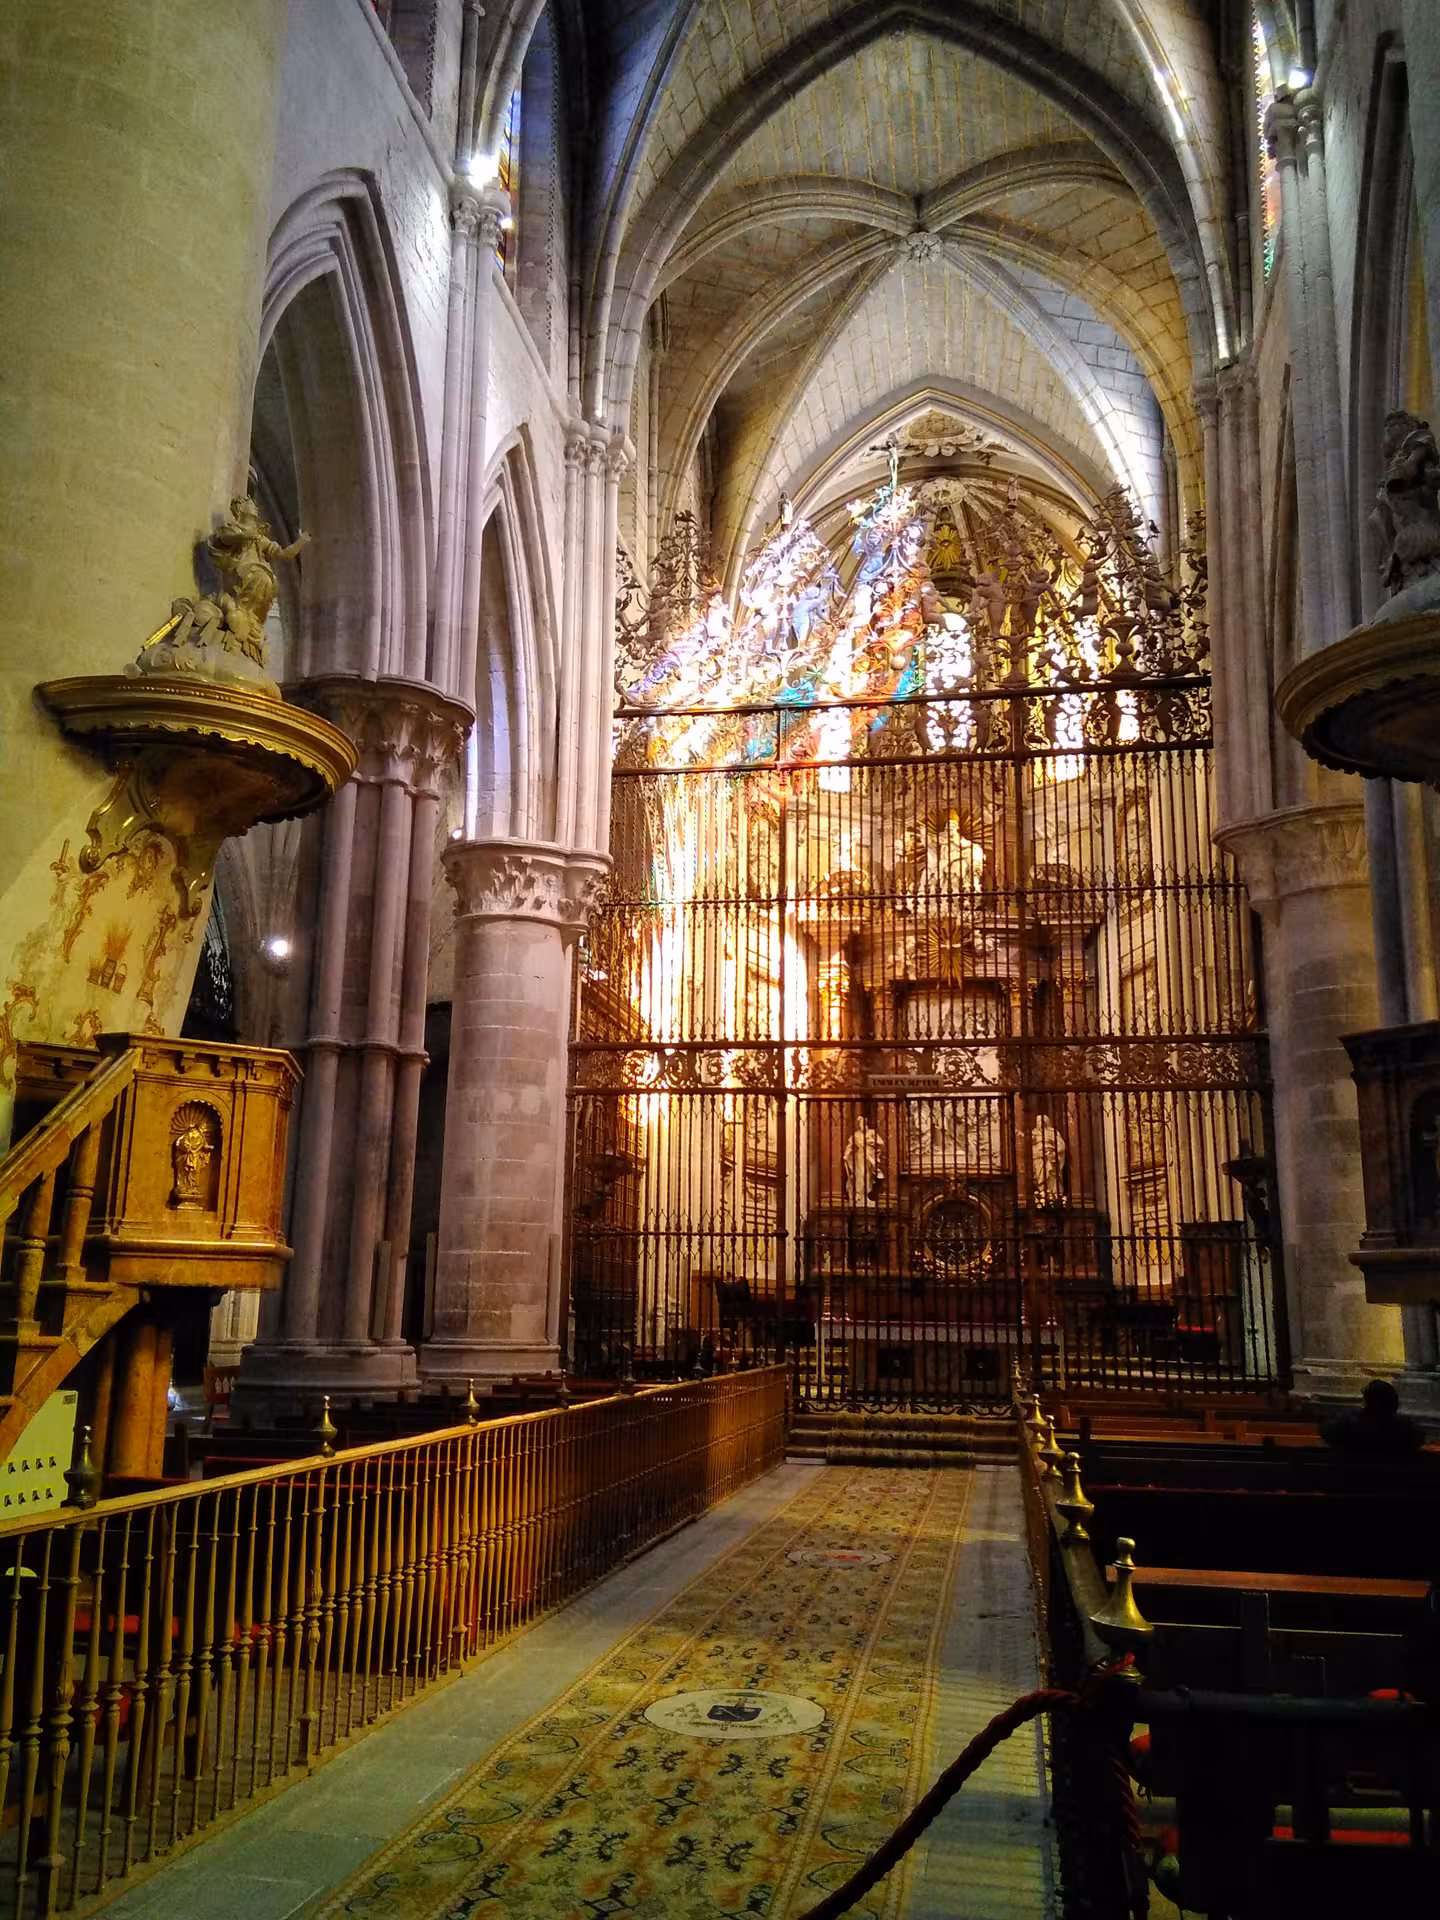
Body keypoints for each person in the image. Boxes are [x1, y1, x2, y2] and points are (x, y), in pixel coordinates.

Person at [1318, 1378, 1425, 1455]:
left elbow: (1325, 1431)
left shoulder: (1346, 1427)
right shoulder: (1407, 1432)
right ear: (1395, 1403)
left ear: (1366, 1402)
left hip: (1351, 1481)